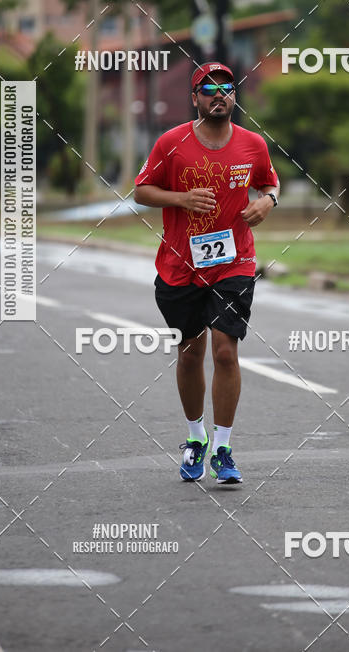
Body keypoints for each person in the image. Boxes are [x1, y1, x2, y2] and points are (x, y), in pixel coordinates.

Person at [134, 63, 279, 485]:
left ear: (235, 96)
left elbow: (270, 183)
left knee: (225, 352)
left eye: (227, 88)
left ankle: (224, 447)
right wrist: (180, 198)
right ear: (195, 98)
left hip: (234, 263)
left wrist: (268, 202)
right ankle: (196, 437)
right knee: (191, 353)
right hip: (180, 266)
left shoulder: (253, 144)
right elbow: (141, 190)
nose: (220, 94)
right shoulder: (171, 143)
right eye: (209, 88)